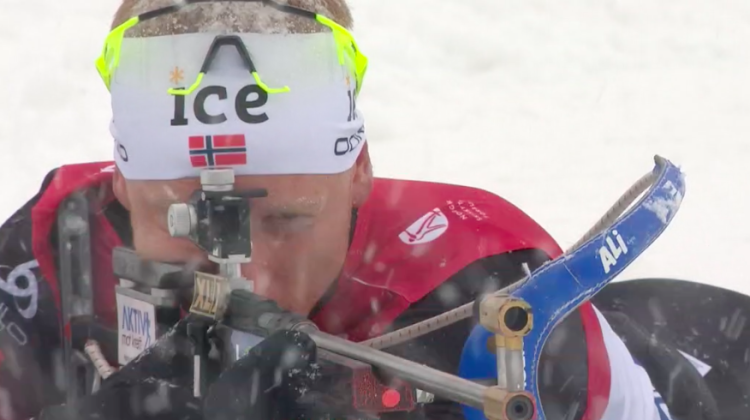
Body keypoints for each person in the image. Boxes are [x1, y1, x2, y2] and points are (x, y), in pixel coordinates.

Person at [0, 1, 718, 420]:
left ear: (359, 172)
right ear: (121, 186)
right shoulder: (59, 245)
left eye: (286, 220)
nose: (246, 271)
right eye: (186, 223)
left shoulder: (486, 284)